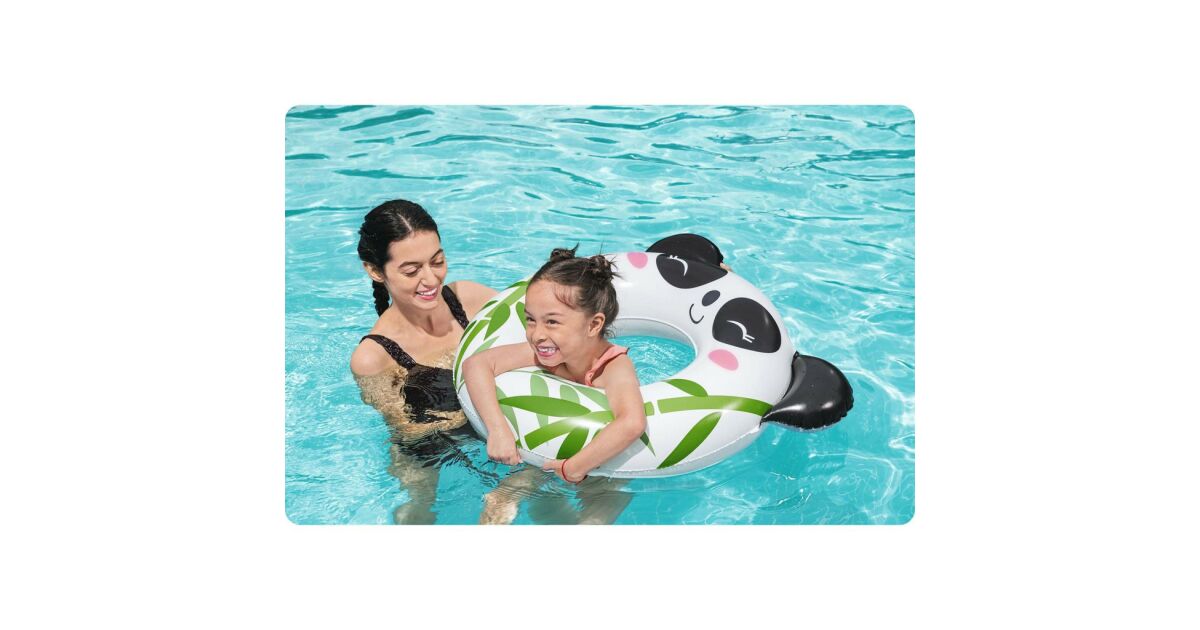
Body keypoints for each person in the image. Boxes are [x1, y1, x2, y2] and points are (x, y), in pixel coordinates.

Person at [463, 246, 647, 523]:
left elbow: (632, 423)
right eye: (530, 320)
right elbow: (476, 364)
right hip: (545, 459)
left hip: (604, 469)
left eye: (551, 322)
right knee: (508, 500)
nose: (537, 334)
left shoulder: (614, 367)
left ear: (593, 325)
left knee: (594, 520)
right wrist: (498, 429)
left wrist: (575, 467)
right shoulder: (547, 353)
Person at [350, 199, 499, 524]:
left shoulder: (469, 299)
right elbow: (408, 431)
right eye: (412, 270)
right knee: (419, 514)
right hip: (432, 454)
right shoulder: (374, 356)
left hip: (498, 432)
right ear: (375, 271)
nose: (431, 279)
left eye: (438, 261)